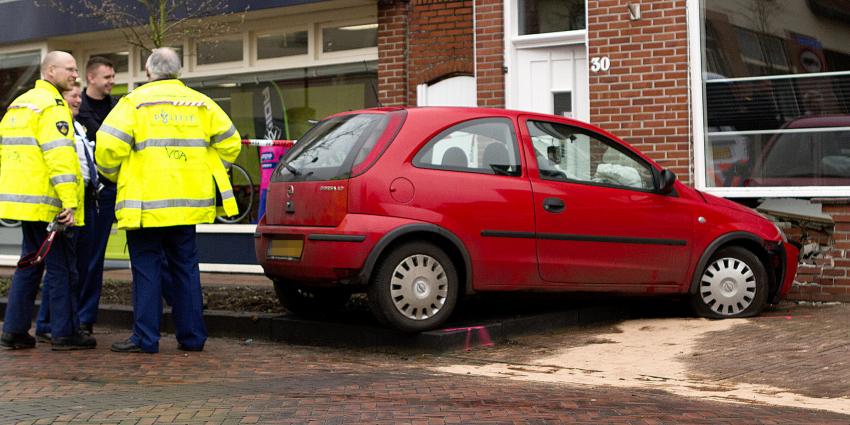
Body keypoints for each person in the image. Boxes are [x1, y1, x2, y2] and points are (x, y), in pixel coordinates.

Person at [96, 47, 241, 353]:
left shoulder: (133, 103)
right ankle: (192, 338)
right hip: (189, 204)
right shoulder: (202, 104)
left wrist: (114, 175)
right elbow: (231, 143)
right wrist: (205, 166)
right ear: (178, 72)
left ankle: (145, 339)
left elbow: (107, 148)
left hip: (146, 205)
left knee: (147, 270)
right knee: (186, 269)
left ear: (148, 72)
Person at [0, 51, 95, 350]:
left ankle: (14, 329)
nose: (75, 75)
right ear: (50, 71)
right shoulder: (53, 107)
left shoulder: (20, 103)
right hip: (49, 202)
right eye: (69, 69)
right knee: (62, 267)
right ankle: (65, 333)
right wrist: (69, 202)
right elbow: (60, 158)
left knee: (29, 262)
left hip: (24, 200)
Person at [34, 81, 100, 343]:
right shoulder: (59, 126)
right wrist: (68, 202)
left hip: (85, 197)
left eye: (78, 97)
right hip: (67, 200)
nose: (77, 101)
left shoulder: (79, 126)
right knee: (62, 268)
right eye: (72, 96)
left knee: (75, 266)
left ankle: (60, 324)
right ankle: (50, 324)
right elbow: (61, 164)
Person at [76, 56, 117, 336]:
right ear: (91, 78)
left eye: (113, 76)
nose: (112, 81)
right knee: (84, 258)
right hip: (86, 193)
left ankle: (84, 317)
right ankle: (78, 317)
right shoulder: (76, 110)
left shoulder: (119, 109)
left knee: (96, 257)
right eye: (107, 77)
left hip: (113, 191)